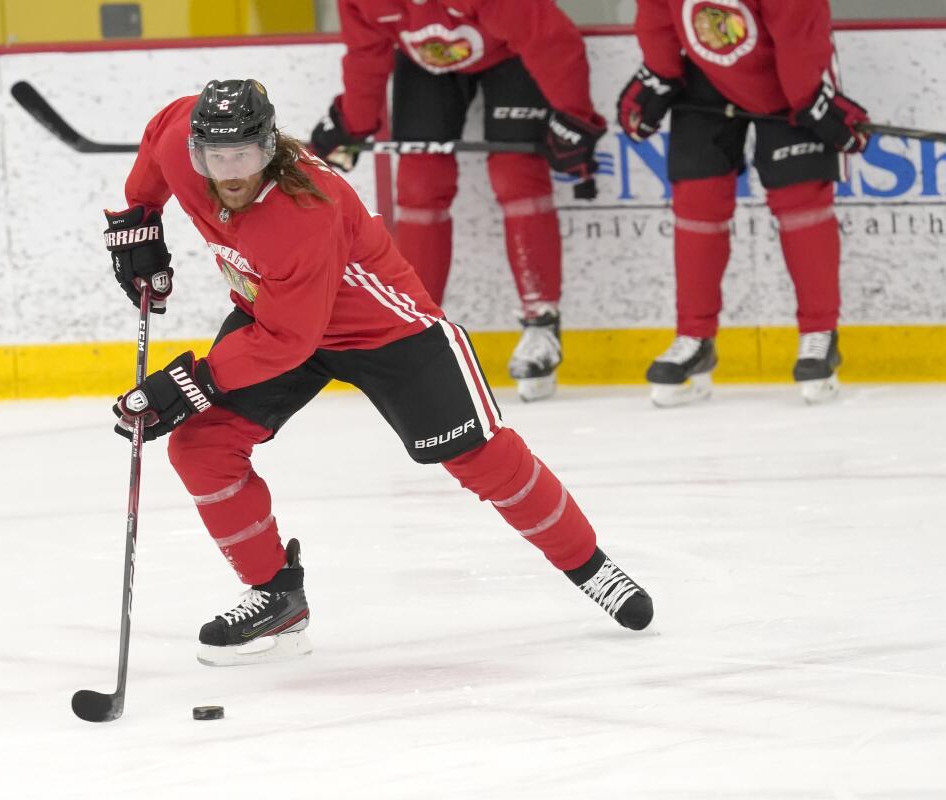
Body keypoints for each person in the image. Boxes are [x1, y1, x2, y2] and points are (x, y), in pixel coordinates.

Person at [102, 78, 652, 667]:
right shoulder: (184, 139)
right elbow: (160, 133)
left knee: (481, 458)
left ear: (271, 148)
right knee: (201, 446)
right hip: (276, 316)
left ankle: (591, 567)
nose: (231, 173)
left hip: (387, 332)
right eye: (216, 157)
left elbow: (288, 340)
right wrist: (138, 221)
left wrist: (187, 382)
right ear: (197, 151)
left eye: (246, 157)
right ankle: (276, 597)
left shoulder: (304, 211)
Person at [308, 0, 607, 402]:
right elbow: (367, 51)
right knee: (418, 184)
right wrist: (354, 122)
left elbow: (551, 38)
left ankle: (541, 321)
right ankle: (411, 329)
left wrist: (575, 116)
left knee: (516, 174)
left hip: (511, 55)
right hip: (427, 65)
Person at [617, 0, 869, 406]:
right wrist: (660, 72)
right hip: (704, 79)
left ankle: (819, 334)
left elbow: (799, 31)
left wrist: (811, 99)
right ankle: (694, 337)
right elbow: (656, 14)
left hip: (790, 74)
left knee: (800, 201)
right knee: (697, 202)